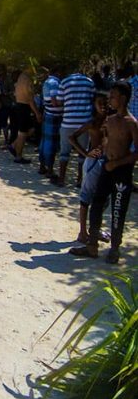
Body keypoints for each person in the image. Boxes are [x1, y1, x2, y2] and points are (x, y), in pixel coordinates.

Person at [71, 82, 138, 263]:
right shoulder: (110, 120)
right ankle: (92, 244)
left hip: (121, 171)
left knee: (118, 209)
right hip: (106, 167)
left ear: (123, 98)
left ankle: (114, 249)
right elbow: (107, 140)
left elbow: (136, 153)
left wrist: (116, 163)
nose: (110, 100)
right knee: (97, 204)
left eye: (113, 96)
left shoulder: (131, 123)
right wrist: (102, 152)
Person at [69, 94, 108, 243]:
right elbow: (72, 137)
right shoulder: (93, 123)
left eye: (105, 103)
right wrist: (86, 153)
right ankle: (83, 232)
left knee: (103, 199)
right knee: (86, 198)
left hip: (106, 162)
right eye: (100, 103)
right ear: (94, 105)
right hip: (93, 162)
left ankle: (95, 229)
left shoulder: (110, 122)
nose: (103, 106)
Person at [52, 69, 96, 185]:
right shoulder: (89, 82)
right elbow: (92, 99)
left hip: (68, 122)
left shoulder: (64, 82)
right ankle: (80, 180)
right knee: (82, 153)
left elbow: (60, 102)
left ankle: (62, 179)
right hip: (84, 123)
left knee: (64, 153)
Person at [8, 68, 40, 164]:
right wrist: (37, 113)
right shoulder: (26, 80)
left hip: (19, 105)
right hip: (23, 106)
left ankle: (14, 145)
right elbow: (30, 99)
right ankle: (18, 156)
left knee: (30, 129)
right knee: (23, 132)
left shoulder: (21, 78)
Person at [38, 68, 63, 178]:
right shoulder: (54, 83)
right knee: (51, 143)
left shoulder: (47, 82)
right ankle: (50, 169)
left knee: (44, 142)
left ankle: (42, 166)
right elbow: (54, 101)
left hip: (47, 113)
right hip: (54, 116)